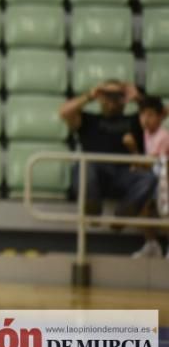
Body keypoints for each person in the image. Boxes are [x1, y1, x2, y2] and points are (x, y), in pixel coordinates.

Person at [59, 80, 153, 218]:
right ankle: (92, 208)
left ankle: (124, 215)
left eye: (117, 95)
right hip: (95, 173)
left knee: (149, 178)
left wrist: (138, 98)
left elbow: (159, 114)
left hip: (124, 174)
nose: (112, 99)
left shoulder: (136, 120)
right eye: (107, 94)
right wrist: (91, 95)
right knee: (83, 166)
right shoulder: (88, 119)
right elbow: (64, 112)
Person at [126, 96, 169, 258]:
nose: (145, 119)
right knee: (142, 204)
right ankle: (152, 244)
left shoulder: (164, 136)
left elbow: (150, 163)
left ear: (160, 116)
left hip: (165, 180)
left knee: (165, 212)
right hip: (154, 179)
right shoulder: (145, 133)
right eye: (142, 114)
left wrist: (133, 150)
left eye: (150, 114)